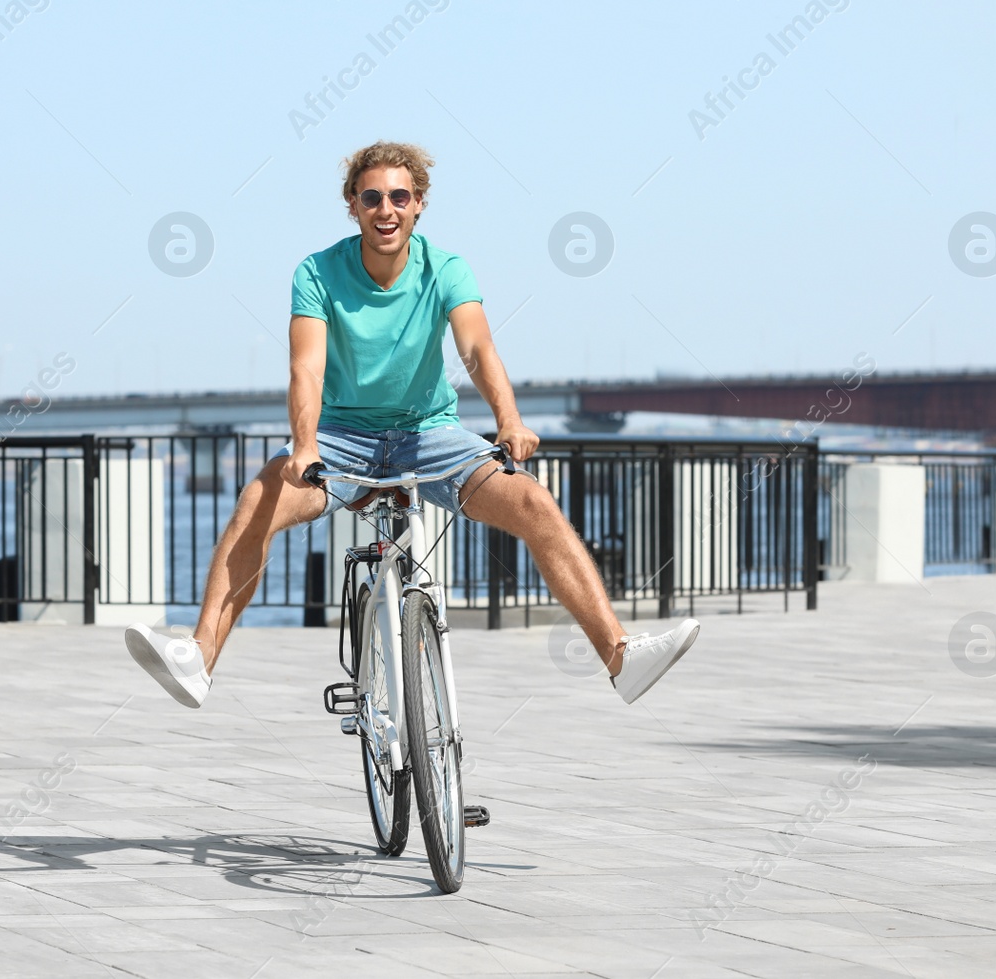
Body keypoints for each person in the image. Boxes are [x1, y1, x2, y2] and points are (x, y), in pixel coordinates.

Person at [125, 141, 698, 708]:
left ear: (419, 203)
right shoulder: (318, 272)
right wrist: (303, 446)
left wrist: (510, 421)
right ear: (352, 204)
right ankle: (199, 658)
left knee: (534, 505)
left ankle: (621, 658)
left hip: (430, 436)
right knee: (258, 502)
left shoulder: (446, 268)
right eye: (372, 198)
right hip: (340, 438)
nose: (386, 210)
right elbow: (307, 366)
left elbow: (477, 348)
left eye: (400, 197)